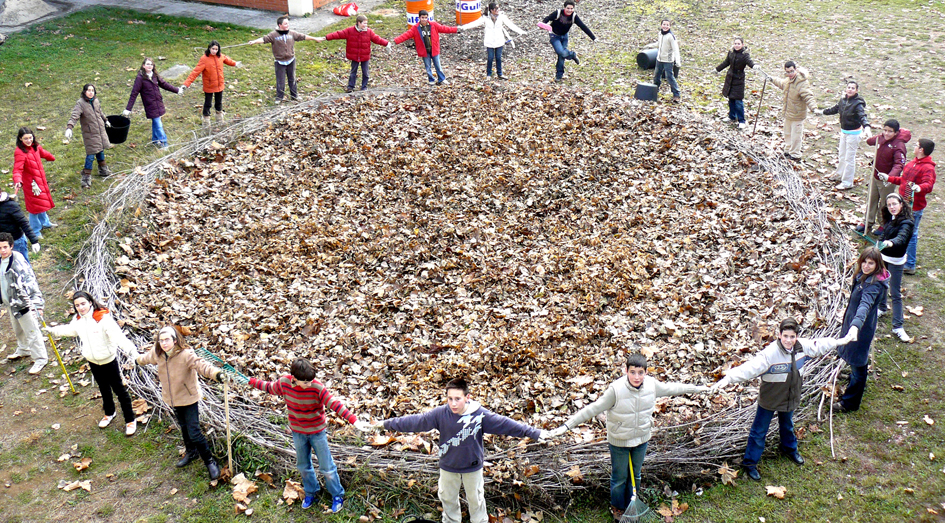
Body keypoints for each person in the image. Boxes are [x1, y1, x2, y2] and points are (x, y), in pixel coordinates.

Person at [548, 354, 708, 519]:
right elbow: (592, 409)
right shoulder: (616, 390)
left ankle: (631, 503)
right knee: (620, 477)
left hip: (641, 439)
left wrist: (699, 389)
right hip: (620, 441)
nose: (636, 377)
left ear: (646, 372)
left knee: (636, 475)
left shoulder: (652, 386)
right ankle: (617, 507)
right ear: (626, 371)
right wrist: (565, 426)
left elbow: (674, 388)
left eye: (640, 372)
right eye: (633, 372)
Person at [372, 377, 547, 523]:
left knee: (476, 501)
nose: (453, 403)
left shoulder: (480, 415)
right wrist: (385, 424)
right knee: (447, 499)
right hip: (448, 467)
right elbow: (416, 421)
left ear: (467, 397)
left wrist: (536, 433)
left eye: (458, 399)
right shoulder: (441, 413)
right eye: (450, 399)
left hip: (472, 468)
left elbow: (506, 424)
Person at [711, 318, 843, 481]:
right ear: (779, 335)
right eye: (785, 336)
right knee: (759, 431)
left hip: (789, 398)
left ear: (796, 337)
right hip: (770, 399)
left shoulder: (803, 347)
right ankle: (750, 463)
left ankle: (789, 449)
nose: (789, 340)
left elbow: (820, 345)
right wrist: (729, 378)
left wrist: (840, 341)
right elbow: (750, 368)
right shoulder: (770, 354)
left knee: (787, 426)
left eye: (792, 336)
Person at [248, 358, 372, 512]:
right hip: (298, 432)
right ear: (294, 378)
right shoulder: (285, 383)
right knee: (303, 466)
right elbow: (269, 387)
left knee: (327, 467)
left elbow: (334, 403)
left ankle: (337, 494)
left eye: (311, 380)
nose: (309, 384)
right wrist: (248, 380)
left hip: (317, 433)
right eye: (305, 382)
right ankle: (311, 491)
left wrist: (354, 420)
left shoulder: (317, 388)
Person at [135, 325, 227, 480]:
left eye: (167, 340)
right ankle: (191, 453)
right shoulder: (158, 354)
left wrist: (216, 374)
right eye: (161, 341)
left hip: (188, 398)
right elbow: (145, 358)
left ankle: (210, 461)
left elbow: (202, 365)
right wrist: (137, 360)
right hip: (172, 398)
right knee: (183, 428)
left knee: (194, 431)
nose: (164, 344)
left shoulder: (186, 354)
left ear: (175, 340)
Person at [44, 291, 139, 435]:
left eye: (83, 304)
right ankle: (109, 412)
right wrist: (52, 331)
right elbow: (70, 330)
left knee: (119, 390)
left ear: (90, 302)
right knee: (103, 388)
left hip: (108, 360)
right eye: (77, 305)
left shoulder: (103, 319)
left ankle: (130, 419)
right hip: (93, 361)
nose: (81, 308)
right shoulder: (78, 320)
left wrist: (133, 353)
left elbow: (119, 338)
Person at [834, 247, 887, 413]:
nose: (866, 265)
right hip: (853, 324)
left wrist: (855, 326)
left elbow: (864, 306)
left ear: (877, 264)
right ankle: (853, 377)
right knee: (854, 358)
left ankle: (849, 403)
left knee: (859, 363)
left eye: (870, 263)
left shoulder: (873, 286)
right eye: (864, 261)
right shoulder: (865, 277)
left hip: (860, 329)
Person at [882, 138, 935, 275]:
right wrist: (888, 178)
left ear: (921, 150)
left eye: (916, 146)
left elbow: (928, 185)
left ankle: (910, 264)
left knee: (911, 234)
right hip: (902, 205)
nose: (914, 147)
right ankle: (900, 255)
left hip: (914, 208)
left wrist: (919, 188)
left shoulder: (928, 168)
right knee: (901, 231)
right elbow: (903, 181)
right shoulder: (911, 163)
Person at [0, 232, 48, 375]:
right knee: (17, 329)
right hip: (10, 303)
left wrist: (37, 304)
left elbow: (30, 282)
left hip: (24, 303)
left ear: (11, 246)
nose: (2, 250)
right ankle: (24, 348)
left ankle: (40, 358)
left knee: (32, 331)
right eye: (0, 247)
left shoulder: (18, 261)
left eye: (5, 247)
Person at [857, 120, 910, 236]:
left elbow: (899, 164)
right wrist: (878, 136)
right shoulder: (881, 138)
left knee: (885, 203)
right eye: (884, 130)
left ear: (896, 132)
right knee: (871, 199)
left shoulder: (899, 145)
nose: (886, 133)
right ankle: (868, 222)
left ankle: (884, 224)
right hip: (875, 176)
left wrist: (889, 177)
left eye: (890, 131)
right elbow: (870, 141)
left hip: (887, 180)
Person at [247, 16, 317, 103]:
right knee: (280, 80)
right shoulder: (273, 35)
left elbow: (303, 36)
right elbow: (264, 39)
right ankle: (279, 97)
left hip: (291, 60)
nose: (288, 25)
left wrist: (315, 38)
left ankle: (294, 96)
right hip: (280, 62)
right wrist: (254, 41)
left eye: (288, 23)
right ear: (280, 25)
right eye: (285, 23)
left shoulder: (292, 33)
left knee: (292, 78)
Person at [817, 80, 871, 190]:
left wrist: (867, 126)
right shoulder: (843, 100)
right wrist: (822, 112)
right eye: (849, 87)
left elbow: (862, 116)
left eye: (853, 88)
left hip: (854, 134)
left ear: (856, 90)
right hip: (844, 132)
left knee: (849, 158)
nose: (850, 90)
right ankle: (839, 174)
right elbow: (835, 109)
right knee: (842, 155)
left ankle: (847, 182)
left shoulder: (858, 104)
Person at [875, 193, 914, 342]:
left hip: (896, 261)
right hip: (883, 258)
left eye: (894, 204)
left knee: (895, 292)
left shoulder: (907, 223)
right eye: (889, 204)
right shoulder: (890, 219)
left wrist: (891, 242)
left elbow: (901, 238)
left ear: (901, 204)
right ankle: (882, 307)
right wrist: (879, 244)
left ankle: (898, 326)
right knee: (881, 284)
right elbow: (883, 234)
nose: (892, 207)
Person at [317, 15, 390, 93]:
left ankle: (364, 87)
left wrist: (386, 43)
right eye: (364, 23)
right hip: (354, 55)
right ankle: (350, 87)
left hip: (364, 55)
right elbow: (338, 34)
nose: (366, 25)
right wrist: (326, 37)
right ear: (359, 23)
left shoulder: (369, 32)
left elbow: (377, 39)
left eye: (366, 23)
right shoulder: (350, 31)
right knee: (353, 71)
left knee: (365, 72)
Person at [122, 57, 182, 148]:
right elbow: (134, 93)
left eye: (151, 64)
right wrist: (128, 109)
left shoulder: (155, 75)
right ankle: (164, 143)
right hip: (150, 105)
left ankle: (155, 139)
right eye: (147, 64)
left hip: (158, 103)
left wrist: (177, 90)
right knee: (158, 124)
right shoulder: (140, 78)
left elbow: (164, 84)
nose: (149, 66)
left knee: (156, 122)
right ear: (143, 66)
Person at [393, 10, 460, 86]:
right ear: (419, 18)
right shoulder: (415, 28)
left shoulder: (433, 25)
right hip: (425, 51)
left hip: (434, 49)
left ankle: (442, 79)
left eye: (425, 17)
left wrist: (456, 29)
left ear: (427, 17)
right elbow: (406, 35)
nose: (424, 19)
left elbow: (445, 29)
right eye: (422, 17)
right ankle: (431, 80)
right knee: (428, 67)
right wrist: (396, 41)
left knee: (438, 65)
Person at [182, 41, 241, 127]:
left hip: (219, 85)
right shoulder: (204, 59)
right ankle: (206, 122)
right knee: (208, 103)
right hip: (209, 86)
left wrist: (235, 63)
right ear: (209, 48)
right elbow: (195, 72)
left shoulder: (221, 56)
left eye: (216, 49)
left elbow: (228, 60)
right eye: (213, 49)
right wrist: (186, 84)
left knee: (219, 102)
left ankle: (219, 119)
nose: (214, 51)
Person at [460, 3, 526, 80]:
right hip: (489, 41)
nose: (498, 10)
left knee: (498, 58)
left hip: (499, 41)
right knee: (490, 58)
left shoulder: (502, 17)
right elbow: (475, 23)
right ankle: (488, 74)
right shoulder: (485, 18)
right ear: (491, 10)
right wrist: (462, 28)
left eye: (498, 8)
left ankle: (500, 74)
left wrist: (521, 31)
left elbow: (510, 25)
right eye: (496, 9)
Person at [767, 61, 818, 161]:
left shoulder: (801, 83)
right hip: (788, 113)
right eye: (787, 72)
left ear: (796, 69)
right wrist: (771, 79)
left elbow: (808, 96)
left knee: (796, 136)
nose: (790, 74)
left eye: (791, 71)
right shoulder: (788, 81)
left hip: (797, 115)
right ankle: (788, 149)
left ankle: (795, 154)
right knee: (787, 133)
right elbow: (781, 83)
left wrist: (814, 108)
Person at [64, 84, 112, 188]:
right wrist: (69, 127)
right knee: (91, 155)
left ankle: (103, 170)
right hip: (90, 134)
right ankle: (85, 178)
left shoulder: (95, 101)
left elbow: (100, 112)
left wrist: (105, 120)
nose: (91, 92)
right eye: (88, 90)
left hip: (100, 131)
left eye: (92, 90)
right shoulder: (80, 104)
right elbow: (74, 116)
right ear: (84, 92)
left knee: (100, 150)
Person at [12, 128, 57, 237]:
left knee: (41, 203)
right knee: (34, 208)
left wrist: (51, 157)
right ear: (20, 139)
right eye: (26, 138)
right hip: (32, 185)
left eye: (30, 137)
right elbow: (17, 169)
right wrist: (17, 180)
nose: (29, 140)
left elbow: (43, 152)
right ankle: (35, 231)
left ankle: (45, 222)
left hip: (39, 181)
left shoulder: (35, 146)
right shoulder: (20, 152)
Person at [542, 0, 596, 84]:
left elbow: (583, 26)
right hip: (554, 35)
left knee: (561, 56)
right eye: (568, 8)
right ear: (564, 8)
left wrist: (593, 38)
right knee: (561, 52)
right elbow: (547, 18)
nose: (570, 10)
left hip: (564, 36)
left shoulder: (574, 16)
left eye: (571, 8)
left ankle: (559, 76)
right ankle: (572, 55)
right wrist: (543, 24)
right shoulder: (558, 13)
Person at [715, 37, 755, 128]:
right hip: (730, 78)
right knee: (731, 99)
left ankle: (741, 120)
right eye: (735, 43)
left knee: (738, 101)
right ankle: (732, 117)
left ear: (742, 45)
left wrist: (754, 66)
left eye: (738, 44)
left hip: (739, 80)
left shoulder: (745, 55)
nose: (736, 45)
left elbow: (749, 62)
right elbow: (726, 62)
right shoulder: (731, 53)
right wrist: (717, 69)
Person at [0, 191, 40, 265]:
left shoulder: (11, 205)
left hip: (16, 242)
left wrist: (34, 241)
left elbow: (23, 223)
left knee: (22, 266)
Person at [652, 19, 680, 102]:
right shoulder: (660, 34)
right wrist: (649, 46)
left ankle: (676, 94)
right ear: (661, 25)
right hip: (659, 59)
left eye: (667, 25)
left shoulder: (671, 36)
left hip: (668, 61)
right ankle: (654, 91)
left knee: (669, 77)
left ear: (669, 26)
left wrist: (677, 61)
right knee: (656, 76)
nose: (665, 26)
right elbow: (658, 44)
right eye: (664, 24)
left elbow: (676, 49)